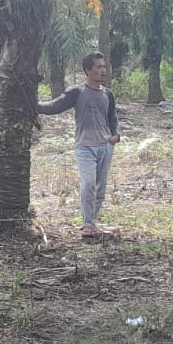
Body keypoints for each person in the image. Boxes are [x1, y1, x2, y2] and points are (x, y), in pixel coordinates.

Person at [39, 51, 122, 237]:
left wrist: (115, 136)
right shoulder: (77, 92)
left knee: (100, 187)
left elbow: (112, 117)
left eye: (104, 66)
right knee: (89, 183)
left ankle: (92, 223)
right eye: (98, 67)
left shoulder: (108, 94)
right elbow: (55, 106)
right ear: (88, 70)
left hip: (105, 146)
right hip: (85, 147)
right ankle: (86, 224)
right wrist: (32, 104)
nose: (103, 71)